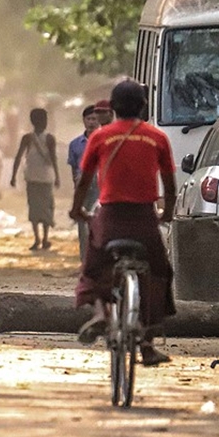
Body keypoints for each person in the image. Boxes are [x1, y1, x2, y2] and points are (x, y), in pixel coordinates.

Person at [70, 80, 176, 366]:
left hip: (110, 218)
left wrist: (77, 210)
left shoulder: (101, 137)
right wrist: (166, 214)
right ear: (143, 106)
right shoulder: (157, 137)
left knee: (93, 266)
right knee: (158, 271)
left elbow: (84, 182)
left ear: (112, 108)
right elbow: (170, 186)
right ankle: (148, 343)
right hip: (144, 219)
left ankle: (102, 314)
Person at [10, 107, 60, 250]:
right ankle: (44, 238)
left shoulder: (27, 138)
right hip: (45, 177)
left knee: (34, 208)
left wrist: (13, 176)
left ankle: (38, 238)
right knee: (46, 208)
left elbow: (18, 157)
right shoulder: (49, 138)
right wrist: (57, 177)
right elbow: (53, 159)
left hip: (32, 177)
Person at [68, 105, 102, 259]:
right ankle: (85, 259)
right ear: (83, 121)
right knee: (83, 226)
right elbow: (74, 168)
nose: (91, 122)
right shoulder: (75, 144)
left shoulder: (106, 140)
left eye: (94, 119)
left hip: (102, 186)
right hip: (84, 187)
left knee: (100, 223)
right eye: (89, 119)